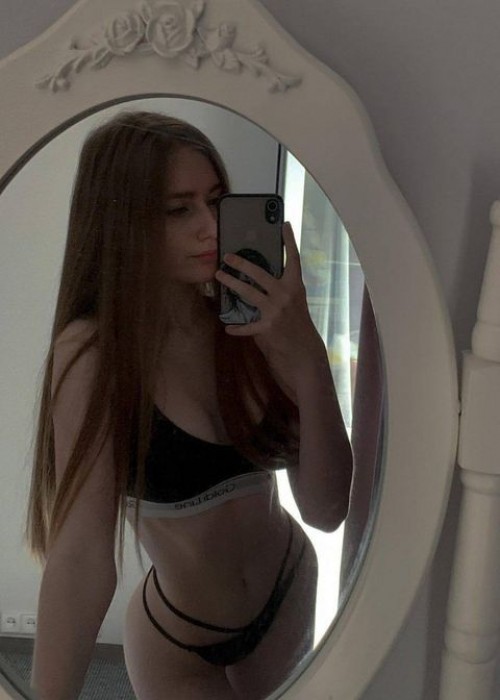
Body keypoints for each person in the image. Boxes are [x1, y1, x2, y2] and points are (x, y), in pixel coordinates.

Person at [25, 110, 353, 700]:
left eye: (217, 200)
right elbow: (81, 554)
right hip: (179, 639)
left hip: (289, 591)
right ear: (120, 221)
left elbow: (327, 509)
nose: (211, 227)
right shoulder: (95, 355)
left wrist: (307, 356)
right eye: (179, 210)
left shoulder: (252, 326)